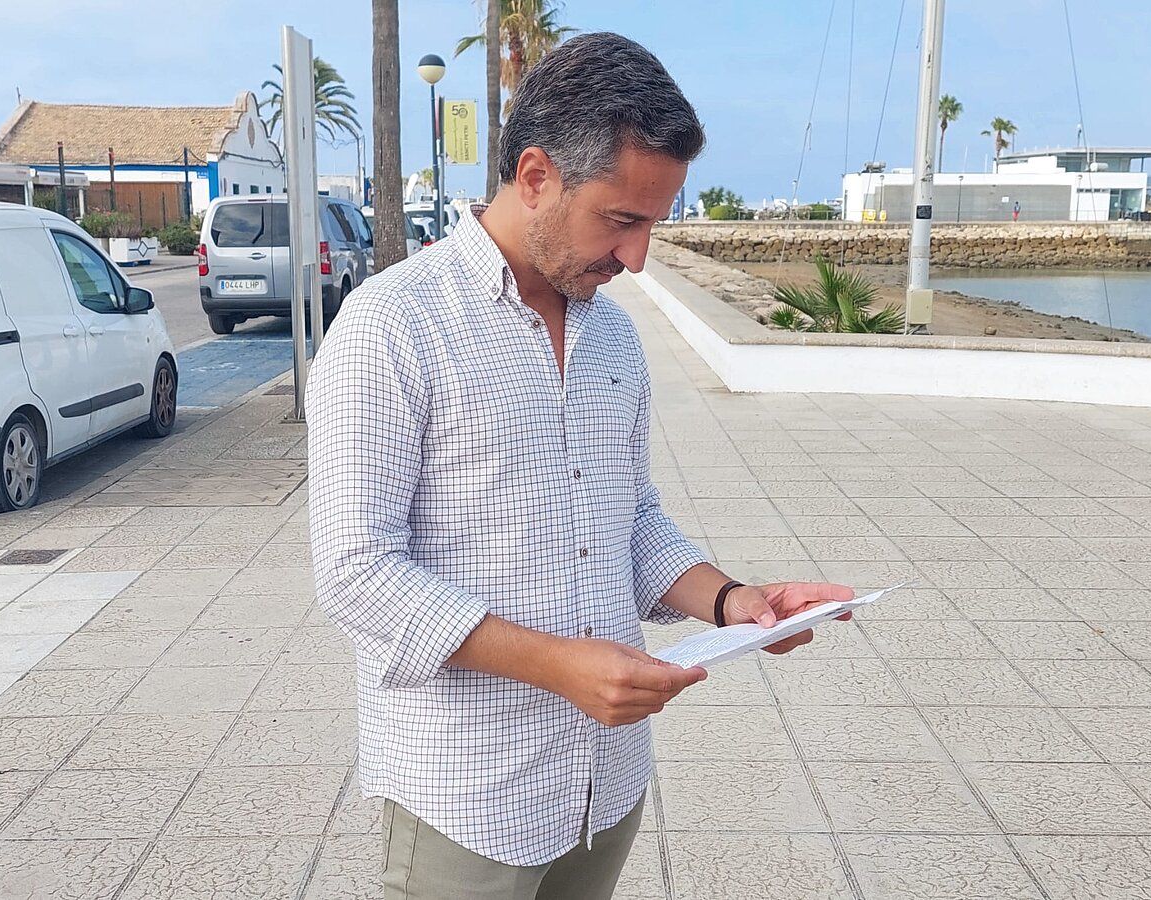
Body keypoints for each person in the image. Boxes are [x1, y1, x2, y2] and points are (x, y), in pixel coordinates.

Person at [306, 31, 853, 900]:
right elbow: (356, 572)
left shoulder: (613, 339)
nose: (636, 259)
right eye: (621, 219)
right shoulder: (391, 327)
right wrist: (560, 666)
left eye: (653, 224)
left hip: (605, 786)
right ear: (535, 176)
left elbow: (628, 519)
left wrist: (733, 601)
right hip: (470, 794)